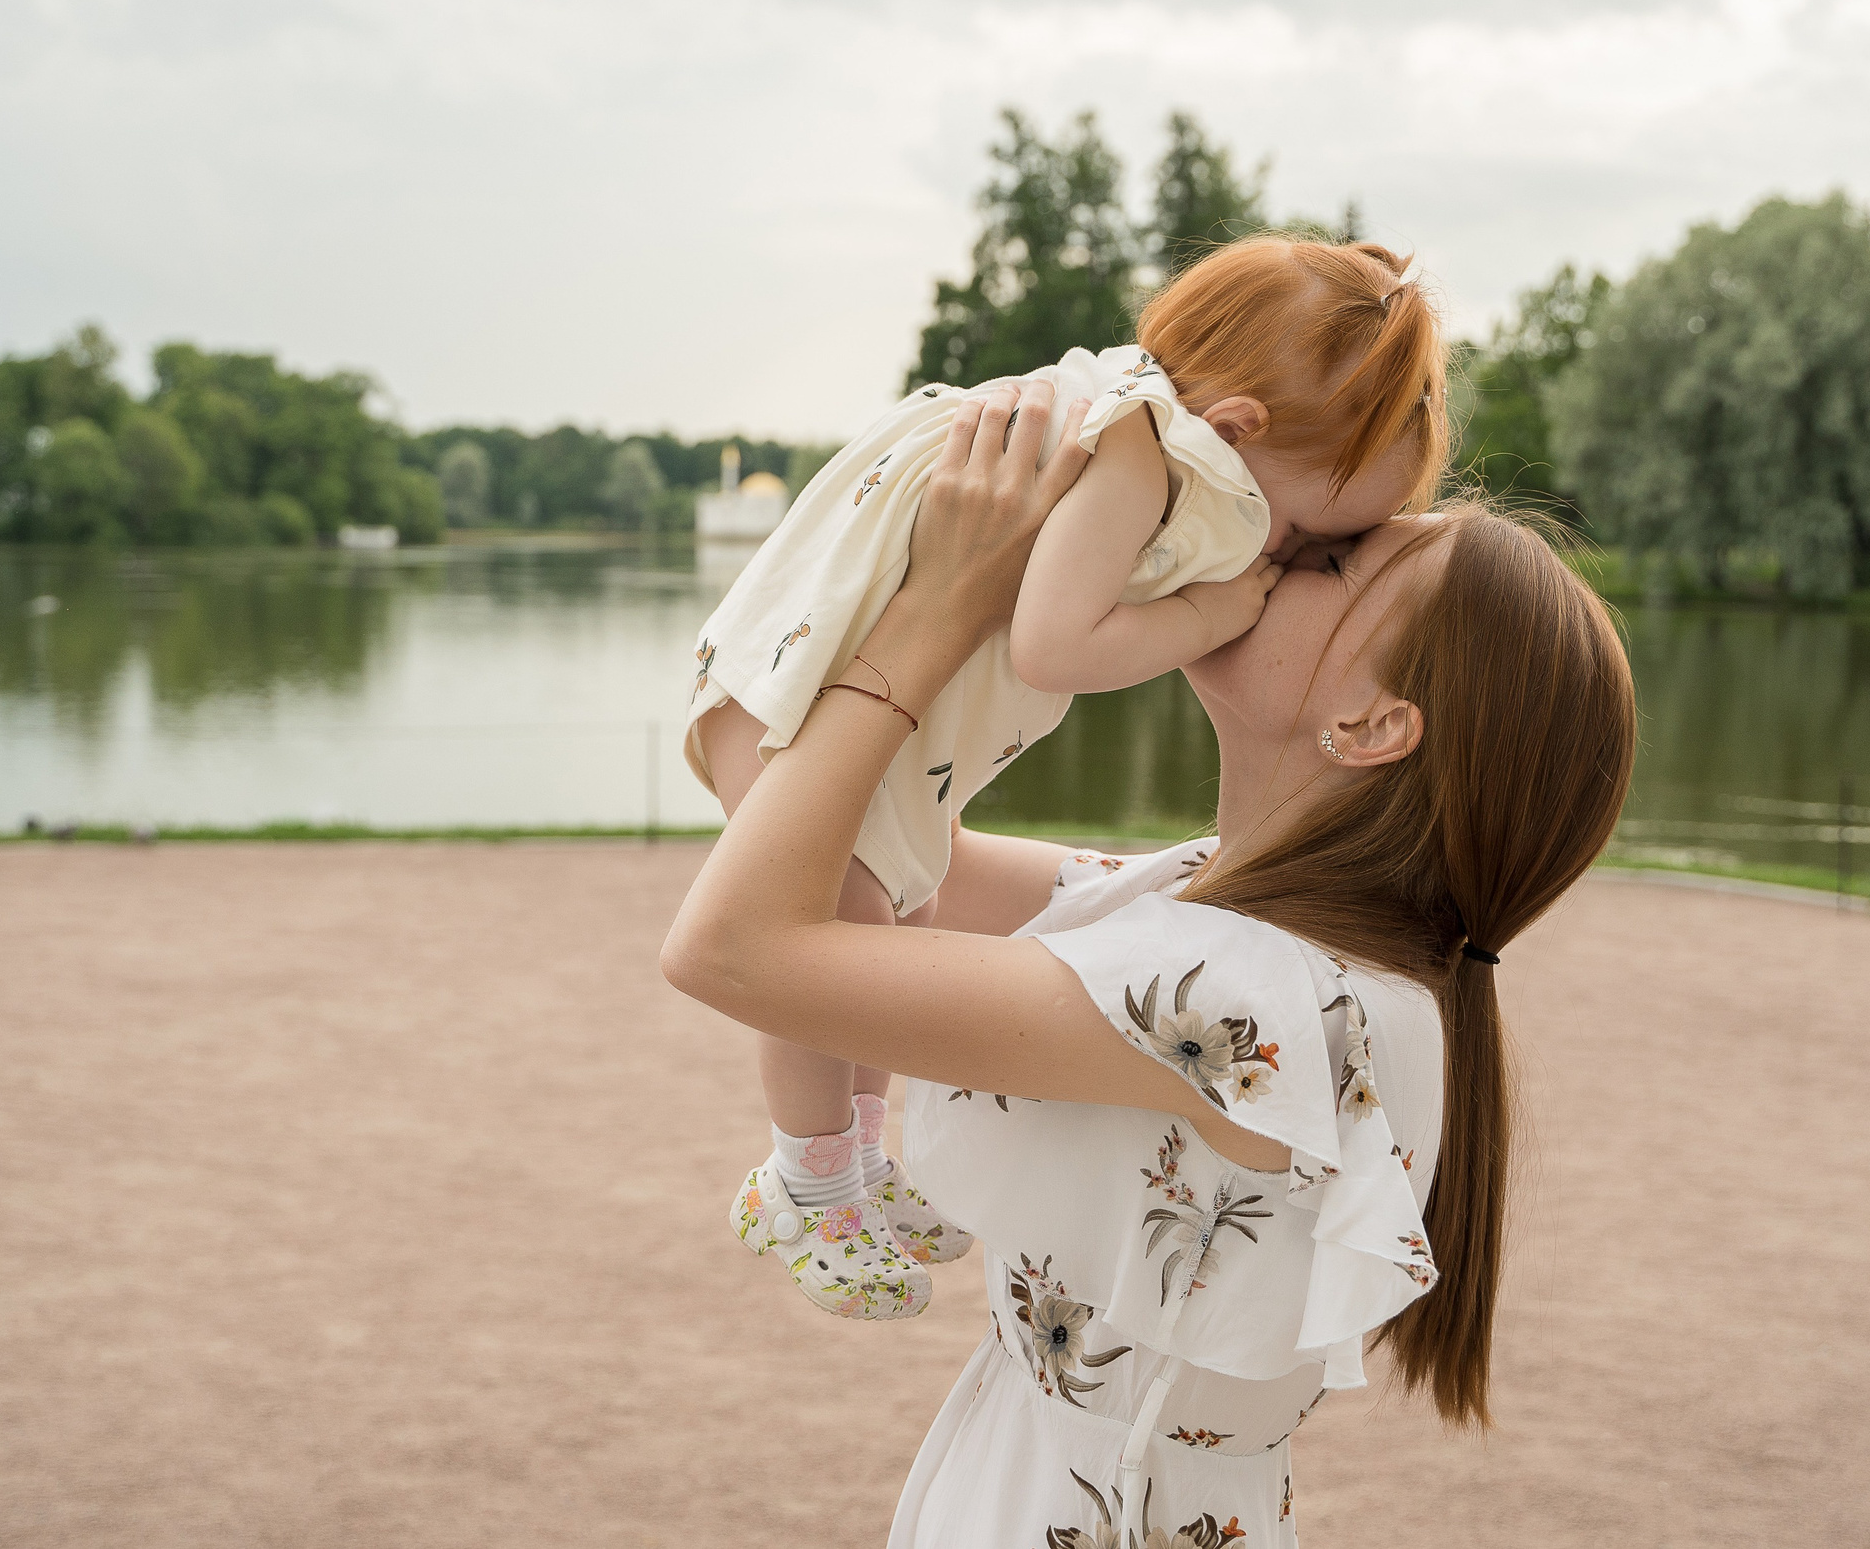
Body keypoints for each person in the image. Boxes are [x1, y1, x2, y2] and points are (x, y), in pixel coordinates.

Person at [662, 381, 1636, 1543]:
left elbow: (737, 946)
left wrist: (930, 614)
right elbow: (861, 851)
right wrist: (933, 548)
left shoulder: (1244, 998)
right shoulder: (1215, 908)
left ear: (1372, 726)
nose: (1256, 546)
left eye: (1319, 562)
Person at [685, 237, 1451, 1320]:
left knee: (883, 906)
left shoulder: (1143, 436)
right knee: (841, 918)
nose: (1266, 570)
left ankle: (849, 1162)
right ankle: (807, 1181)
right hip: (796, 687)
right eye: (1301, 538)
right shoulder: (1138, 450)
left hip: (811, 683)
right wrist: (1209, 611)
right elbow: (1053, 646)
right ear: (1234, 432)